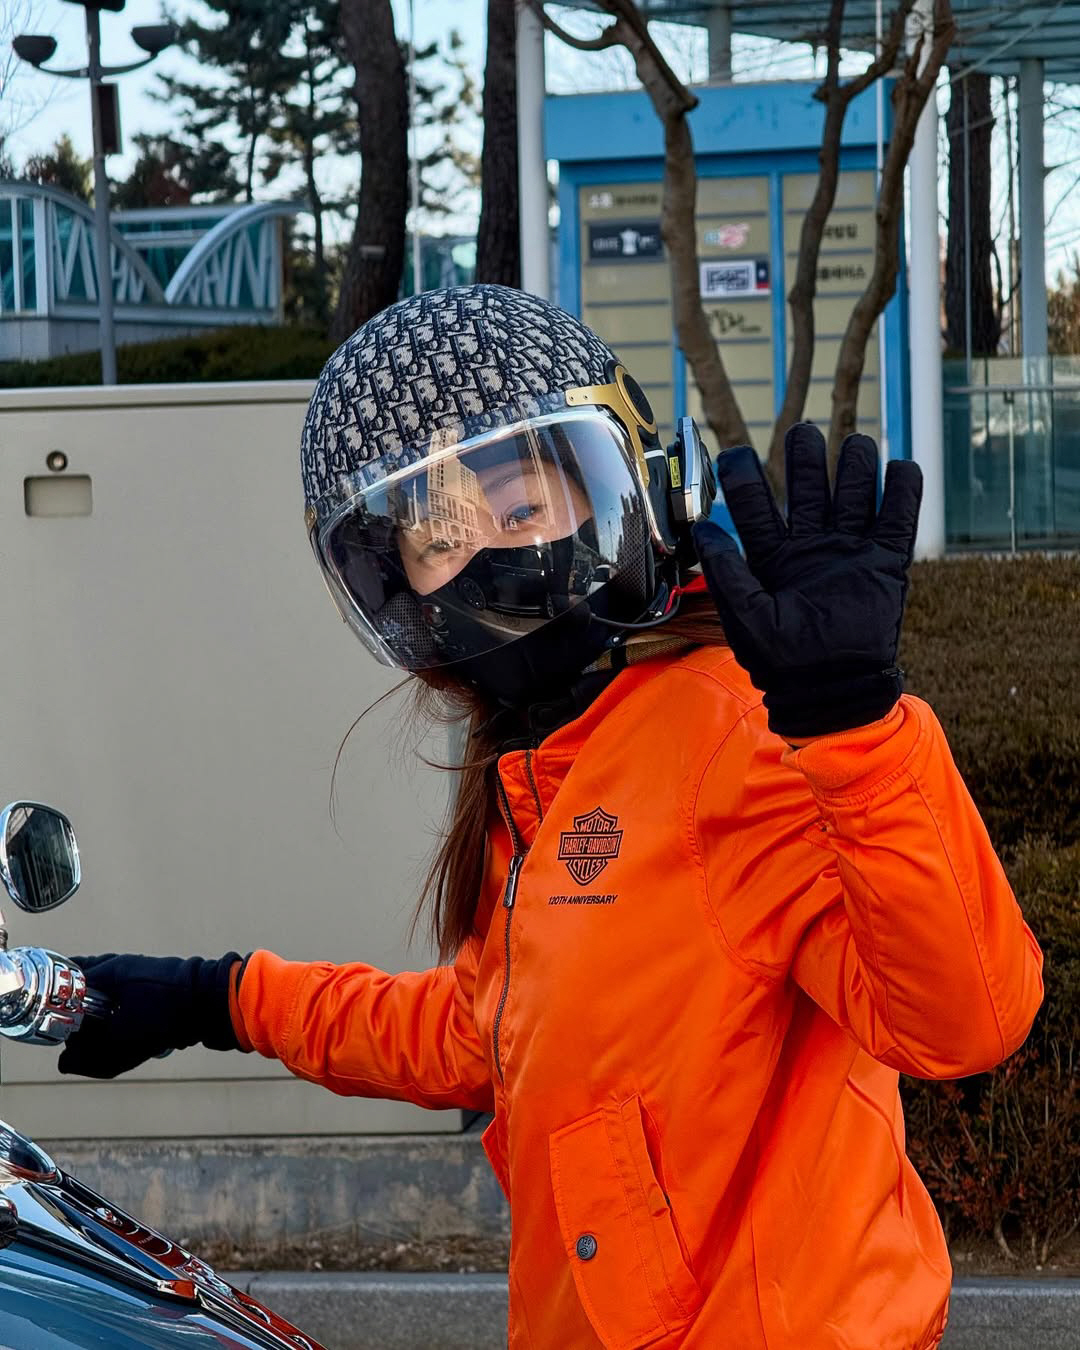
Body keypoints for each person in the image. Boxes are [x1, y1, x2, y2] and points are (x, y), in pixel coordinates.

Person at [59, 286, 1043, 1350]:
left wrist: (855, 727)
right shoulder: (546, 769)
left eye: (524, 508)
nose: (487, 557)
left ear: (619, 487)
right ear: (395, 578)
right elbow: (485, 1031)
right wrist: (218, 998)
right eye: (439, 535)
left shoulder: (738, 730)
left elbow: (964, 1019)